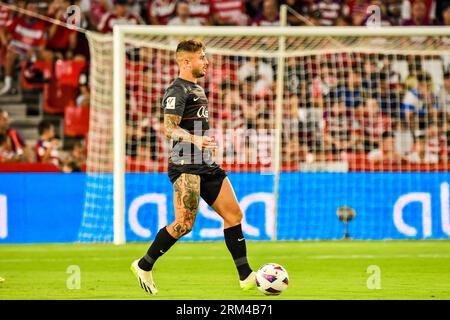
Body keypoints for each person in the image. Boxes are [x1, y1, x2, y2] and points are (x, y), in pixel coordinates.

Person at [131, 39, 256, 295]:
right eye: (202, 57)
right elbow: (168, 128)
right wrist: (195, 139)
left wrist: (204, 142)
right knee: (184, 224)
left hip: (205, 163)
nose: (206, 61)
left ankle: (246, 276)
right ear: (187, 61)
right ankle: (144, 265)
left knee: (234, 215)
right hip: (185, 163)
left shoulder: (197, 89)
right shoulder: (177, 90)